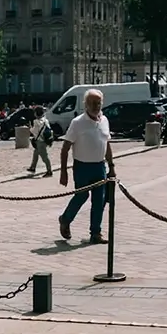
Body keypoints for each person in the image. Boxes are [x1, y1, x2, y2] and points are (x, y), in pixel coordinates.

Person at [58, 88, 114, 244]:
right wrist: (64, 171)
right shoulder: (78, 123)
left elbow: (106, 144)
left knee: (99, 200)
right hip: (82, 166)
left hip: (99, 166)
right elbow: (65, 148)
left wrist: (111, 166)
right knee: (82, 195)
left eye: (98, 103)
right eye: (92, 103)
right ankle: (65, 219)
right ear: (86, 104)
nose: (96, 106)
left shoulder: (104, 121)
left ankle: (95, 233)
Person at [28, 105, 53, 176]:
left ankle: (49, 171)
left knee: (44, 157)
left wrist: (30, 128)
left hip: (40, 141)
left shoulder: (36, 122)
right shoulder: (45, 120)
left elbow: (34, 132)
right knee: (35, 153)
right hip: (45, 140)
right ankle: (33, 167)